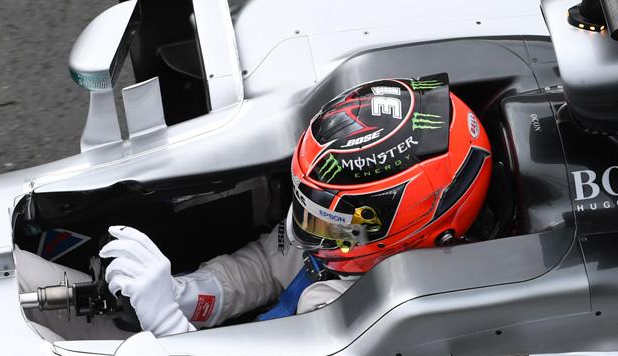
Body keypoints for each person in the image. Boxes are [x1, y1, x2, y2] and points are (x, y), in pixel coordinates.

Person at [100, 75, 493, 336]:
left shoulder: (407, 326)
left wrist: (173, 332)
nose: (308, 231)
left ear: (411, 229)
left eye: (332, 223)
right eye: (307, 207)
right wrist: (189, 295)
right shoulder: (340, 237)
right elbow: (269, 265)